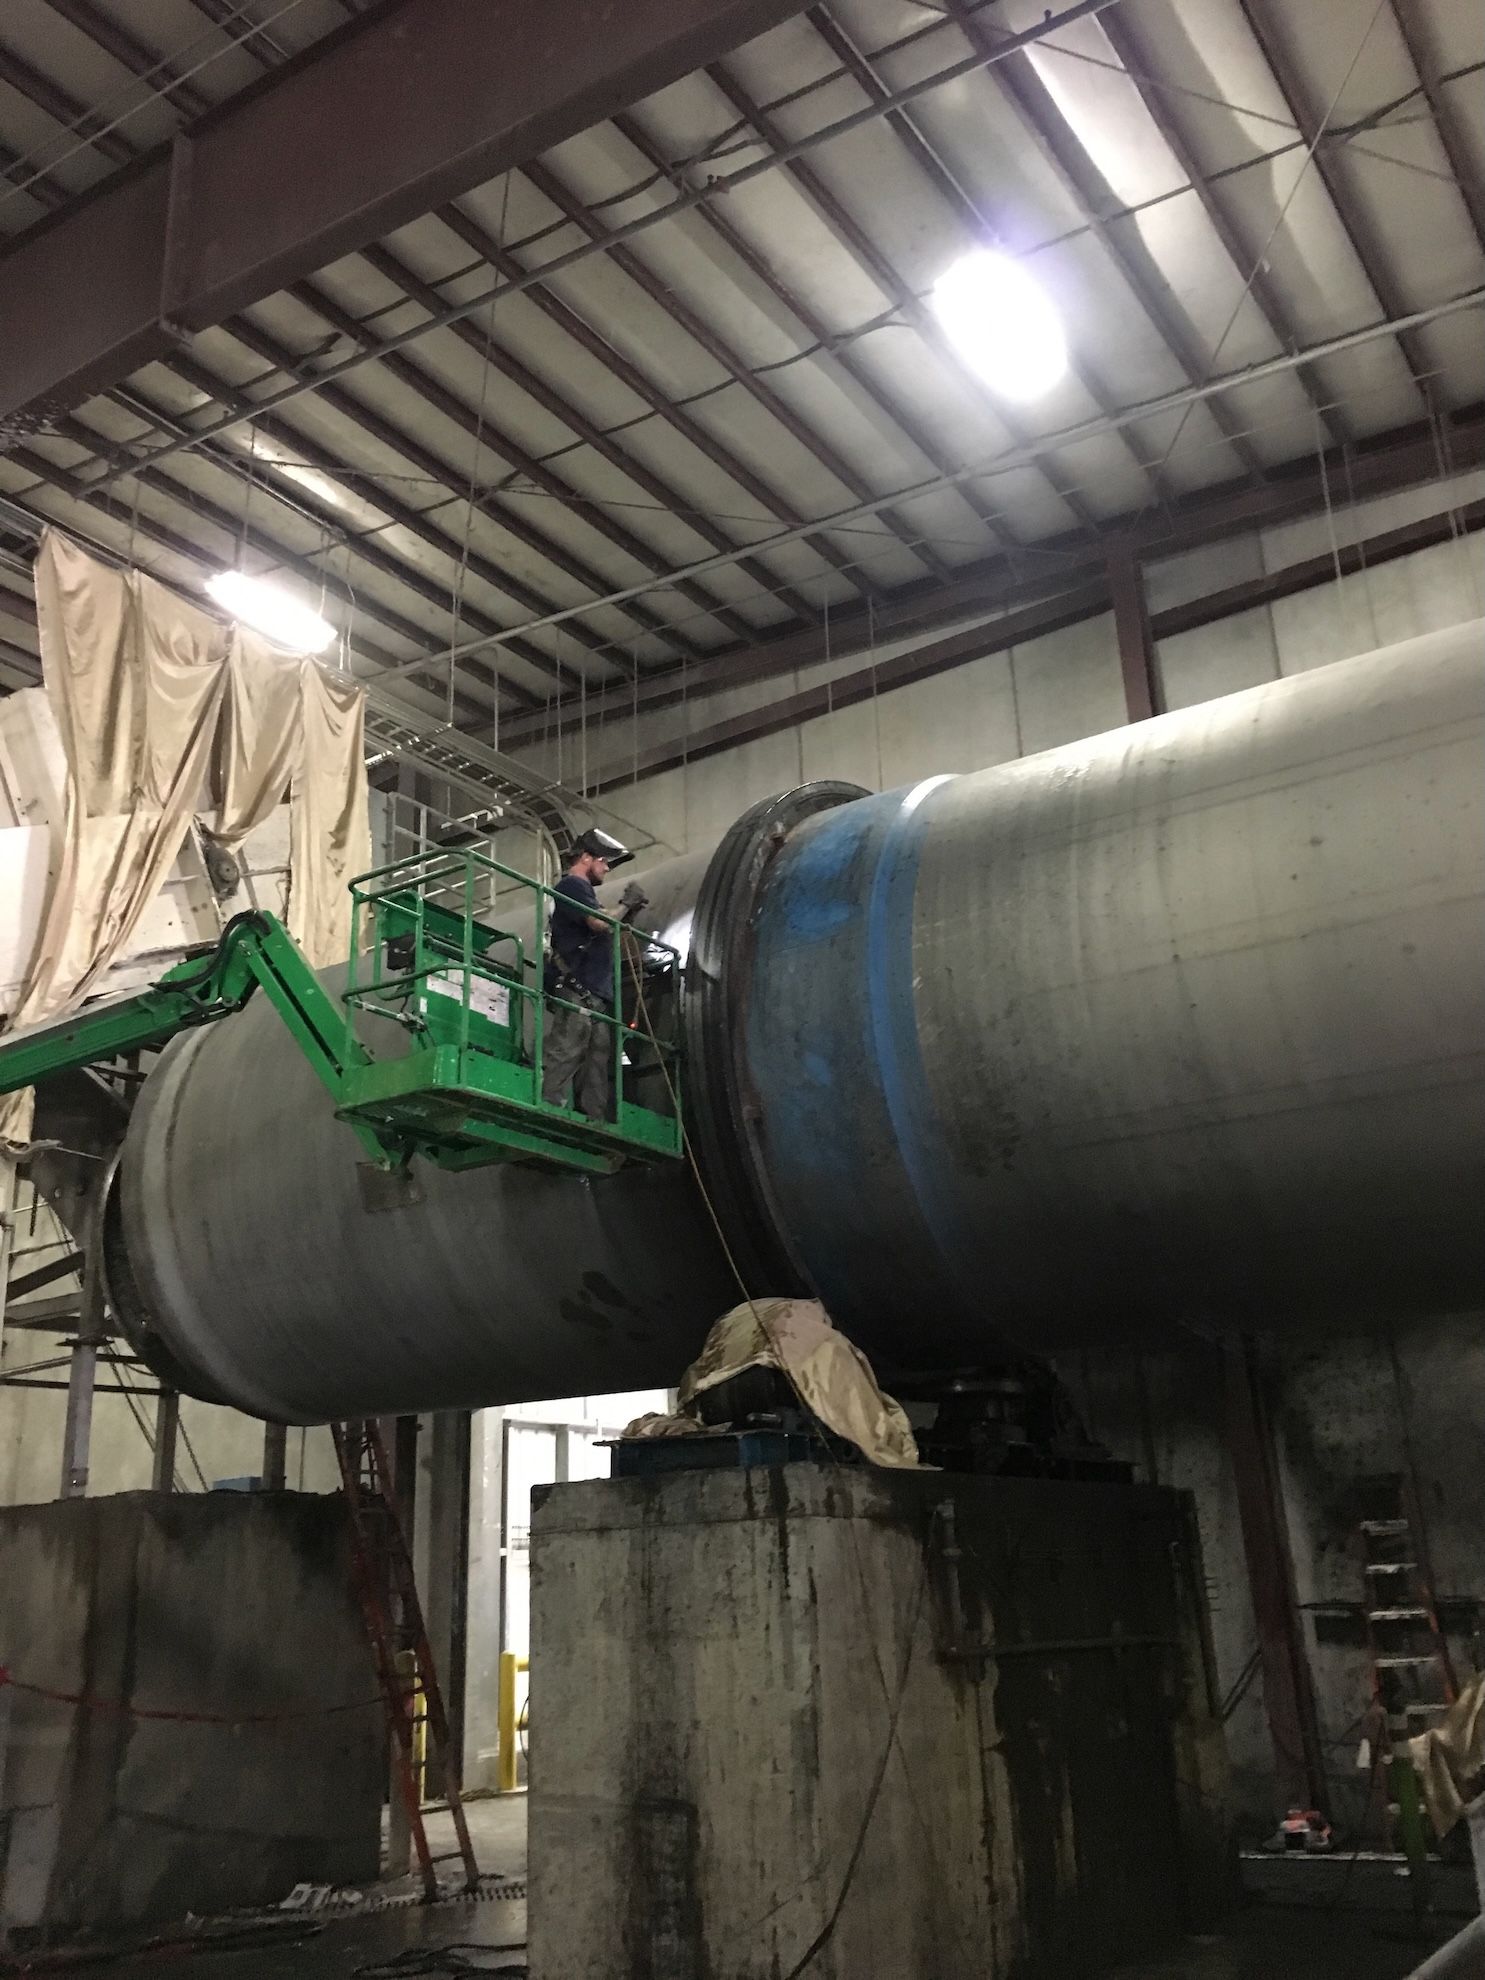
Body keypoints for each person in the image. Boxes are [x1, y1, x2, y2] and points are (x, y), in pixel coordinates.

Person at [541, 828, 647, 1122]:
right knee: (567, 1051)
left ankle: (594, 1119)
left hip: (594, 994)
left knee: (596, 1061)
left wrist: (629, 912)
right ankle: (550, 1110)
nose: (607, 868)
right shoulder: (572, 886)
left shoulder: (584, 893)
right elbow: (599, 924)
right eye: (604, 861)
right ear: (586, 857)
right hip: (578, 989)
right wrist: (626, 905)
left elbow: (606, 926)